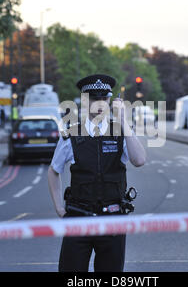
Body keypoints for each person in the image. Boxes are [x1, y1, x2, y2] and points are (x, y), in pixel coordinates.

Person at [48, 74, 146, 272]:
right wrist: (59, 207)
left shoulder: (120, 132)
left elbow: (139, 160)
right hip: (78, 218)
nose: (100, 103)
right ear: (85, 100)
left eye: (105, 98)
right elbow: (53, 171)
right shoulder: (70, 134)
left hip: (112, 219)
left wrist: (124, 121)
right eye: (94, 98)